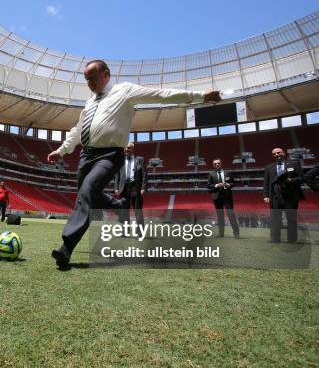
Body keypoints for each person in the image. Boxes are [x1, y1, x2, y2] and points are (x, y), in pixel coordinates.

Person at [47, 59, 221, 269]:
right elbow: (77, 130)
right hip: (86, 155)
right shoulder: (90, 102)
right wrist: (62, 150)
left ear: (106, 75)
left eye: (93, 78)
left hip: (109, 154)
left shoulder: (124, 91)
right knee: (87, 194)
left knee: (86, 192)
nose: (90, 83)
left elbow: (159, 95)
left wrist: (200, 96)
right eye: (87, 80)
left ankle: (66, 247)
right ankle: (118, 205)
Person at [263, 148, 304, 243]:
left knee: (291, 219)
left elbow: (301, 178)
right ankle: (275, 238)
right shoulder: (269, 167)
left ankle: (292, 239)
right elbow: (266, 183)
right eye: (274, 154)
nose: (277, 154)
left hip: (291, 196)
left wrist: (291, 180)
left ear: (283, 153)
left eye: (278, 152)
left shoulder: (294, 164)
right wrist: (266, 195)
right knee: (275, 219)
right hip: (275, 196)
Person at [114, 142, 147, 226]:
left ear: (133, 149)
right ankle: (125, 231)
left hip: (135, 188)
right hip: (124, 189)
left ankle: (140, 233)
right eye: (125, 148)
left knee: (138, 211)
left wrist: (143, 187)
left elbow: (144, 174)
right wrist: (116, 188)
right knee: (124, 211)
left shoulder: (140, 159)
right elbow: (117, 174)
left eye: (128, 148)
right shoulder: (120, 160)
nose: (126, 150)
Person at [207, 158, 240, 238]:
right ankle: (221, 234)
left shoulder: (228, 172)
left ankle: (236, 233)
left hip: (227, 197)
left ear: (221, 163)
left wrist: (229, 185)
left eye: (218, 163)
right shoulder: (211, 174)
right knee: (220, 216)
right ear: (213, 165)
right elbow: (209, 186)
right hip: (217, 197)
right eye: (215, 164)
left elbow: (233, 183)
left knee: (231, 214)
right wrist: (217, 185)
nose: (217, 165)